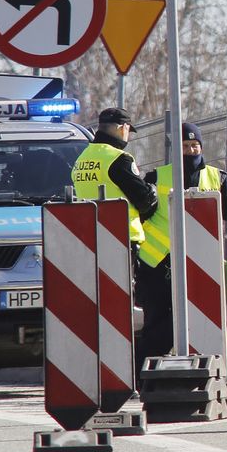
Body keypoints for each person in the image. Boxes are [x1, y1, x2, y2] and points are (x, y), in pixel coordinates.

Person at [136, 122, 227, 367]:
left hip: (200, 261)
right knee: (157, 319)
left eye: (195, 145)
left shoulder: (216, 177)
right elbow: (141, 212)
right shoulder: (156, 177)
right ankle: (143, 373)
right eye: (185, 146)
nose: (190, 151)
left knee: (196, 319)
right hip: (157, 261)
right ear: (176, 148)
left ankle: (197, 368)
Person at [70, 108, 159, 364]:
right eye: (129, 129)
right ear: (123, 128)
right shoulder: (119, 158)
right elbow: (143, 200)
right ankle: (123, 366)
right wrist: (151, 195)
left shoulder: (83, 158)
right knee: (122, 307)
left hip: (90, 239)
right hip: (122, 239)